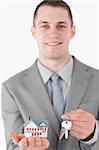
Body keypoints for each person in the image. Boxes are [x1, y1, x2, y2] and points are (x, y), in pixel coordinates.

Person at [1, 0, 99, 150]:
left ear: (72, 31)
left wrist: (93, 134)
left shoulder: (97, 80)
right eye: (45, 26)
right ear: (33, 31)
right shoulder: (12, 88)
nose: (53, 33)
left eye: (61, 26)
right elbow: (12, 145)